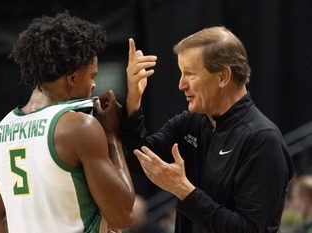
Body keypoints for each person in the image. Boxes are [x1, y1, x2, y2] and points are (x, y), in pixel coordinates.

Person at [119, 26, 294, 232]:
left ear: (223, 77)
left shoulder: (263, 140)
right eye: (181, 73)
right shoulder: (191, 122)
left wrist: (184, 190)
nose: (181, 84)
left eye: (190, 74)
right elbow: (137, 158)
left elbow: (250, 229)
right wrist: (133, 100)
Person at [0, 11, 135, 233]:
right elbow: (123, 215)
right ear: (72, 77)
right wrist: (111, 135)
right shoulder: (79, 127)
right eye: (92, 76)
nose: (93, 86)